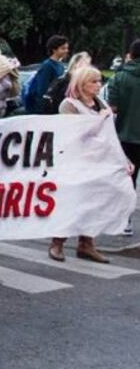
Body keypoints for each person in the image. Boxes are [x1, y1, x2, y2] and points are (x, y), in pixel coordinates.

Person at [49, 66, 122, 263]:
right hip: (75, 160)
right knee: (72, 201)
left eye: (99, 81)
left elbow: (109, 136)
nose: (99, 85)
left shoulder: (100, 103)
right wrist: (99, 120)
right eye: (94, 81)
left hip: (98, 161)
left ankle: (87, 243)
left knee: (94, 202)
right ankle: (58, 242)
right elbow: (73, 133)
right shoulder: (69, 104)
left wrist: (124, 159)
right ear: (82, 84)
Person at [108, 38, 140, 235]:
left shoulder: (119, 78)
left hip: (125, 135)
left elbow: (113, 107)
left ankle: (124, 220)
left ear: (131, 54)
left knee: (128, 180)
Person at [23, 34, 70, 113]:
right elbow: (42, 89)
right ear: (54, 50)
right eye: (63, 48)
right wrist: (43, 109)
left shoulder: (61, 66)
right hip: (45, 108)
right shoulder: (47, 66)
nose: (66, 51)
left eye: (67, 48)